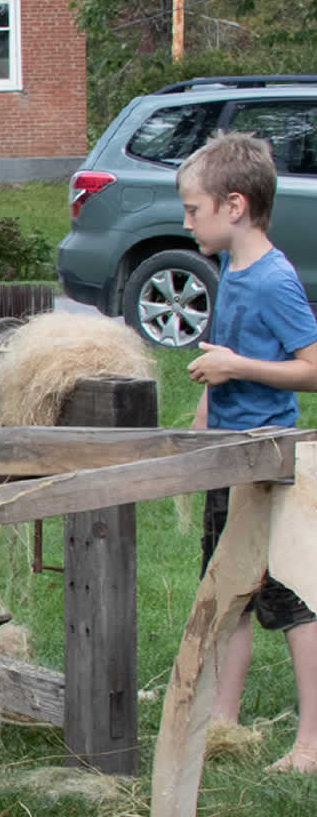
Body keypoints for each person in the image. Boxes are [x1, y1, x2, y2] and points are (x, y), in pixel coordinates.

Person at [180, 130, 317, 774]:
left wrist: (238, 367)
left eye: (192, 209)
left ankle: (311, 745)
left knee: (291, 605)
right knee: (225, 592)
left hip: (269, 463)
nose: (188, 221)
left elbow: (312, 368)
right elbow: (222, 358)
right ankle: (224, 721)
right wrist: (200, 430)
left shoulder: (273, 279)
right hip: (227, 458)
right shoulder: (230, 270)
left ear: (234, 206)